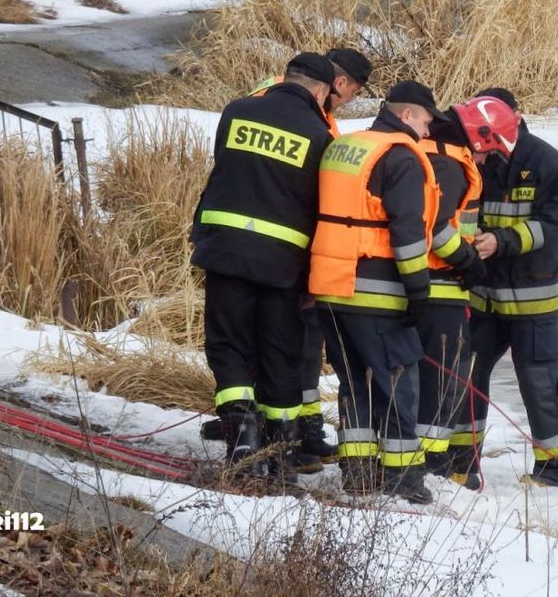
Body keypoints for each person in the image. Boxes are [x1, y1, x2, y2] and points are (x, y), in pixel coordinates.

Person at [190, 53, 337, 478]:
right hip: (283, 265)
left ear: (287, 78)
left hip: (226, 253)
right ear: (321, 91)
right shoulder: (318, 134)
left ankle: (242, 447)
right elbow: (318, 206)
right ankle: (282, 453)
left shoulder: (237, 110)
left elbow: (225, 167)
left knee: (230, 346)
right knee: (279, 353)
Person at [309, 80, 449, 504]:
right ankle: (403, 478)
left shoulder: (346, 147)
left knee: (354, 383)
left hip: (330, 289)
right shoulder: (401, 156)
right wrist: (419, 290)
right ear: (406, 115)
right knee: (397, 381)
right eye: (426, 121)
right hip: (377, 291)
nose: (428, 132)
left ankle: (358, 473)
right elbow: (407, 233)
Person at [248, 48, 375, 466]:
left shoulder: (268, 96)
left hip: (254, 239)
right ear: (339, 85)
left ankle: (301, 432)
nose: (349, 101)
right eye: (352, 93)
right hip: (285, 245)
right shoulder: (312, 117)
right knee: (291, 345)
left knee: (293, 345)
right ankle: (286, 437)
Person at [449, 88, 558, 489]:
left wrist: (500, 242)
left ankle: (556, 468)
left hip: (530, 297)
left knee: (537, 379)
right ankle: (460, 462)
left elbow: (548, 227)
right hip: (484, 293)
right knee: (466, 375)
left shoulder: (550, 164)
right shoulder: (476, 158)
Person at [408, 101, 499, 476]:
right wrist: (469, 261)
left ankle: (417, 456)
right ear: (477, 139)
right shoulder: (449, 163)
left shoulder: (423, 151)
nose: (484, 162)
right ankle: (433, 461)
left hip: (416, 283)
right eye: (487, 153)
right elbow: (436, 226)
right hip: (440, 287)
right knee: (441, 379)